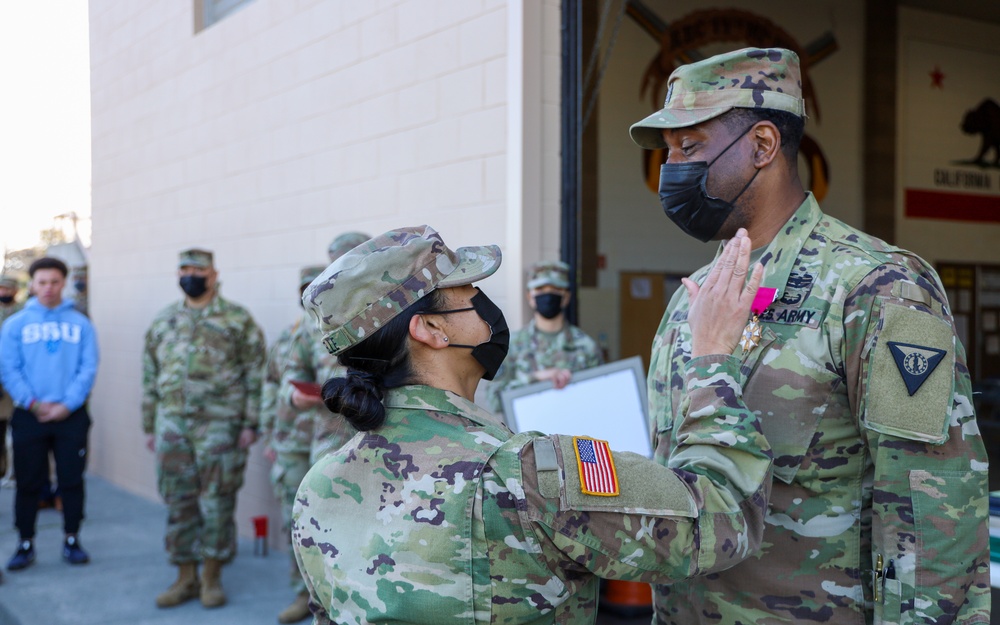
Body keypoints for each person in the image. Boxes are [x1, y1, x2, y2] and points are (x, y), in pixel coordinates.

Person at [629, 47, 989, 624]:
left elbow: (932, 510)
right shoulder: (691, 299)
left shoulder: (877, 286)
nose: (672, 170)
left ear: (763, 146)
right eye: (668, 154)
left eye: (689, 148)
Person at [292, 224, 773, 624]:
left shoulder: (318, 486)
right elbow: (723, 518)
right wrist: (711, 355)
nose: (483, 302)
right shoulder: (530, 474)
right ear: (431, 329)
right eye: (468, 291)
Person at [142, 248, 266, 609]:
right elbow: (149, 373)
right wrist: (150, 422)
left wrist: (250, 422)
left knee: (217, 502)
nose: (190, 274)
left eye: (198, 269)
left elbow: (256, 372)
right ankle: (184, 576)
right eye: (184, 268)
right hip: (171, 425)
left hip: (221, 425)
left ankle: (211, 575)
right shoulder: (164, 320)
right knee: (178, 501)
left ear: (213, 275)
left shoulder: (236, 319)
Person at [0, 258, 99, 572]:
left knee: (71, 480)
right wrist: (32, 403)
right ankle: (25, 543)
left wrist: (67, 404)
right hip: (30, 415)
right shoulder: (16, 324)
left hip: (71, 415)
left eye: (55, 282)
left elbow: (88, 367)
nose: (48, 288)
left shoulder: (81, 323)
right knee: (29, 482)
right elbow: (8, 368)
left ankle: (72, 539)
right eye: (42, 282)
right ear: (32, 285)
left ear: (64, 283)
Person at [259, 264, 325, 624]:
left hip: (326, 441)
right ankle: (303, 593)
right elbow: (270, 386)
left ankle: (328, 595)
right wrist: (269, 433)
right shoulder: (290, 337)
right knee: (294, 519)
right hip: (291, 441)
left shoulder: (343, 332)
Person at [283, 231, 370, 464]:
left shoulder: (399, 308)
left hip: (389, 436)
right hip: (332, 437)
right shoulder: (315, 317)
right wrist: (295, 396)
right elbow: (293, 371)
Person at [485, 260, 602, 414]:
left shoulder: (586, 347)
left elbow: (599, 399)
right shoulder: (512, 345)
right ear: (530, 297)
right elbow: (494, 400)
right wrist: (536, 378)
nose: (547, 295)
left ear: (566, 297)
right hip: (525, 436)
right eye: (540, 289)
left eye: (555, 289)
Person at [0, 274, 23, 484]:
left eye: (7, 289)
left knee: (14, 429)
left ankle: (15, 471)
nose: (3, 293)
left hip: (14, 382)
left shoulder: (22, 314)